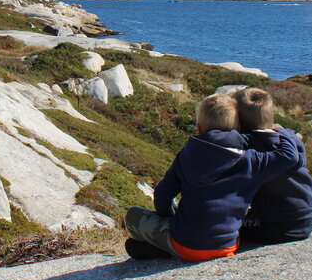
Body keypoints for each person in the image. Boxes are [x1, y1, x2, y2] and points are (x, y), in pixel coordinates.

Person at [124, 93, 299, 262]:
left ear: (199, 128)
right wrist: (284, 132)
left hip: (185, 242)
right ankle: (164, 248)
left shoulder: (186, 155)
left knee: (133, 215)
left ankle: (165, 248)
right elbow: (289, 156)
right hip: (226, 246)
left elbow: (162, 196)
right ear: (237, 129)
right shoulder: (251, 159)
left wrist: (168, 217)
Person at [233, 87, 312, 243]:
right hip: (306, 218)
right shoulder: (289, 138)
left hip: (277, 226)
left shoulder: (249, 146)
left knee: (224, 228)